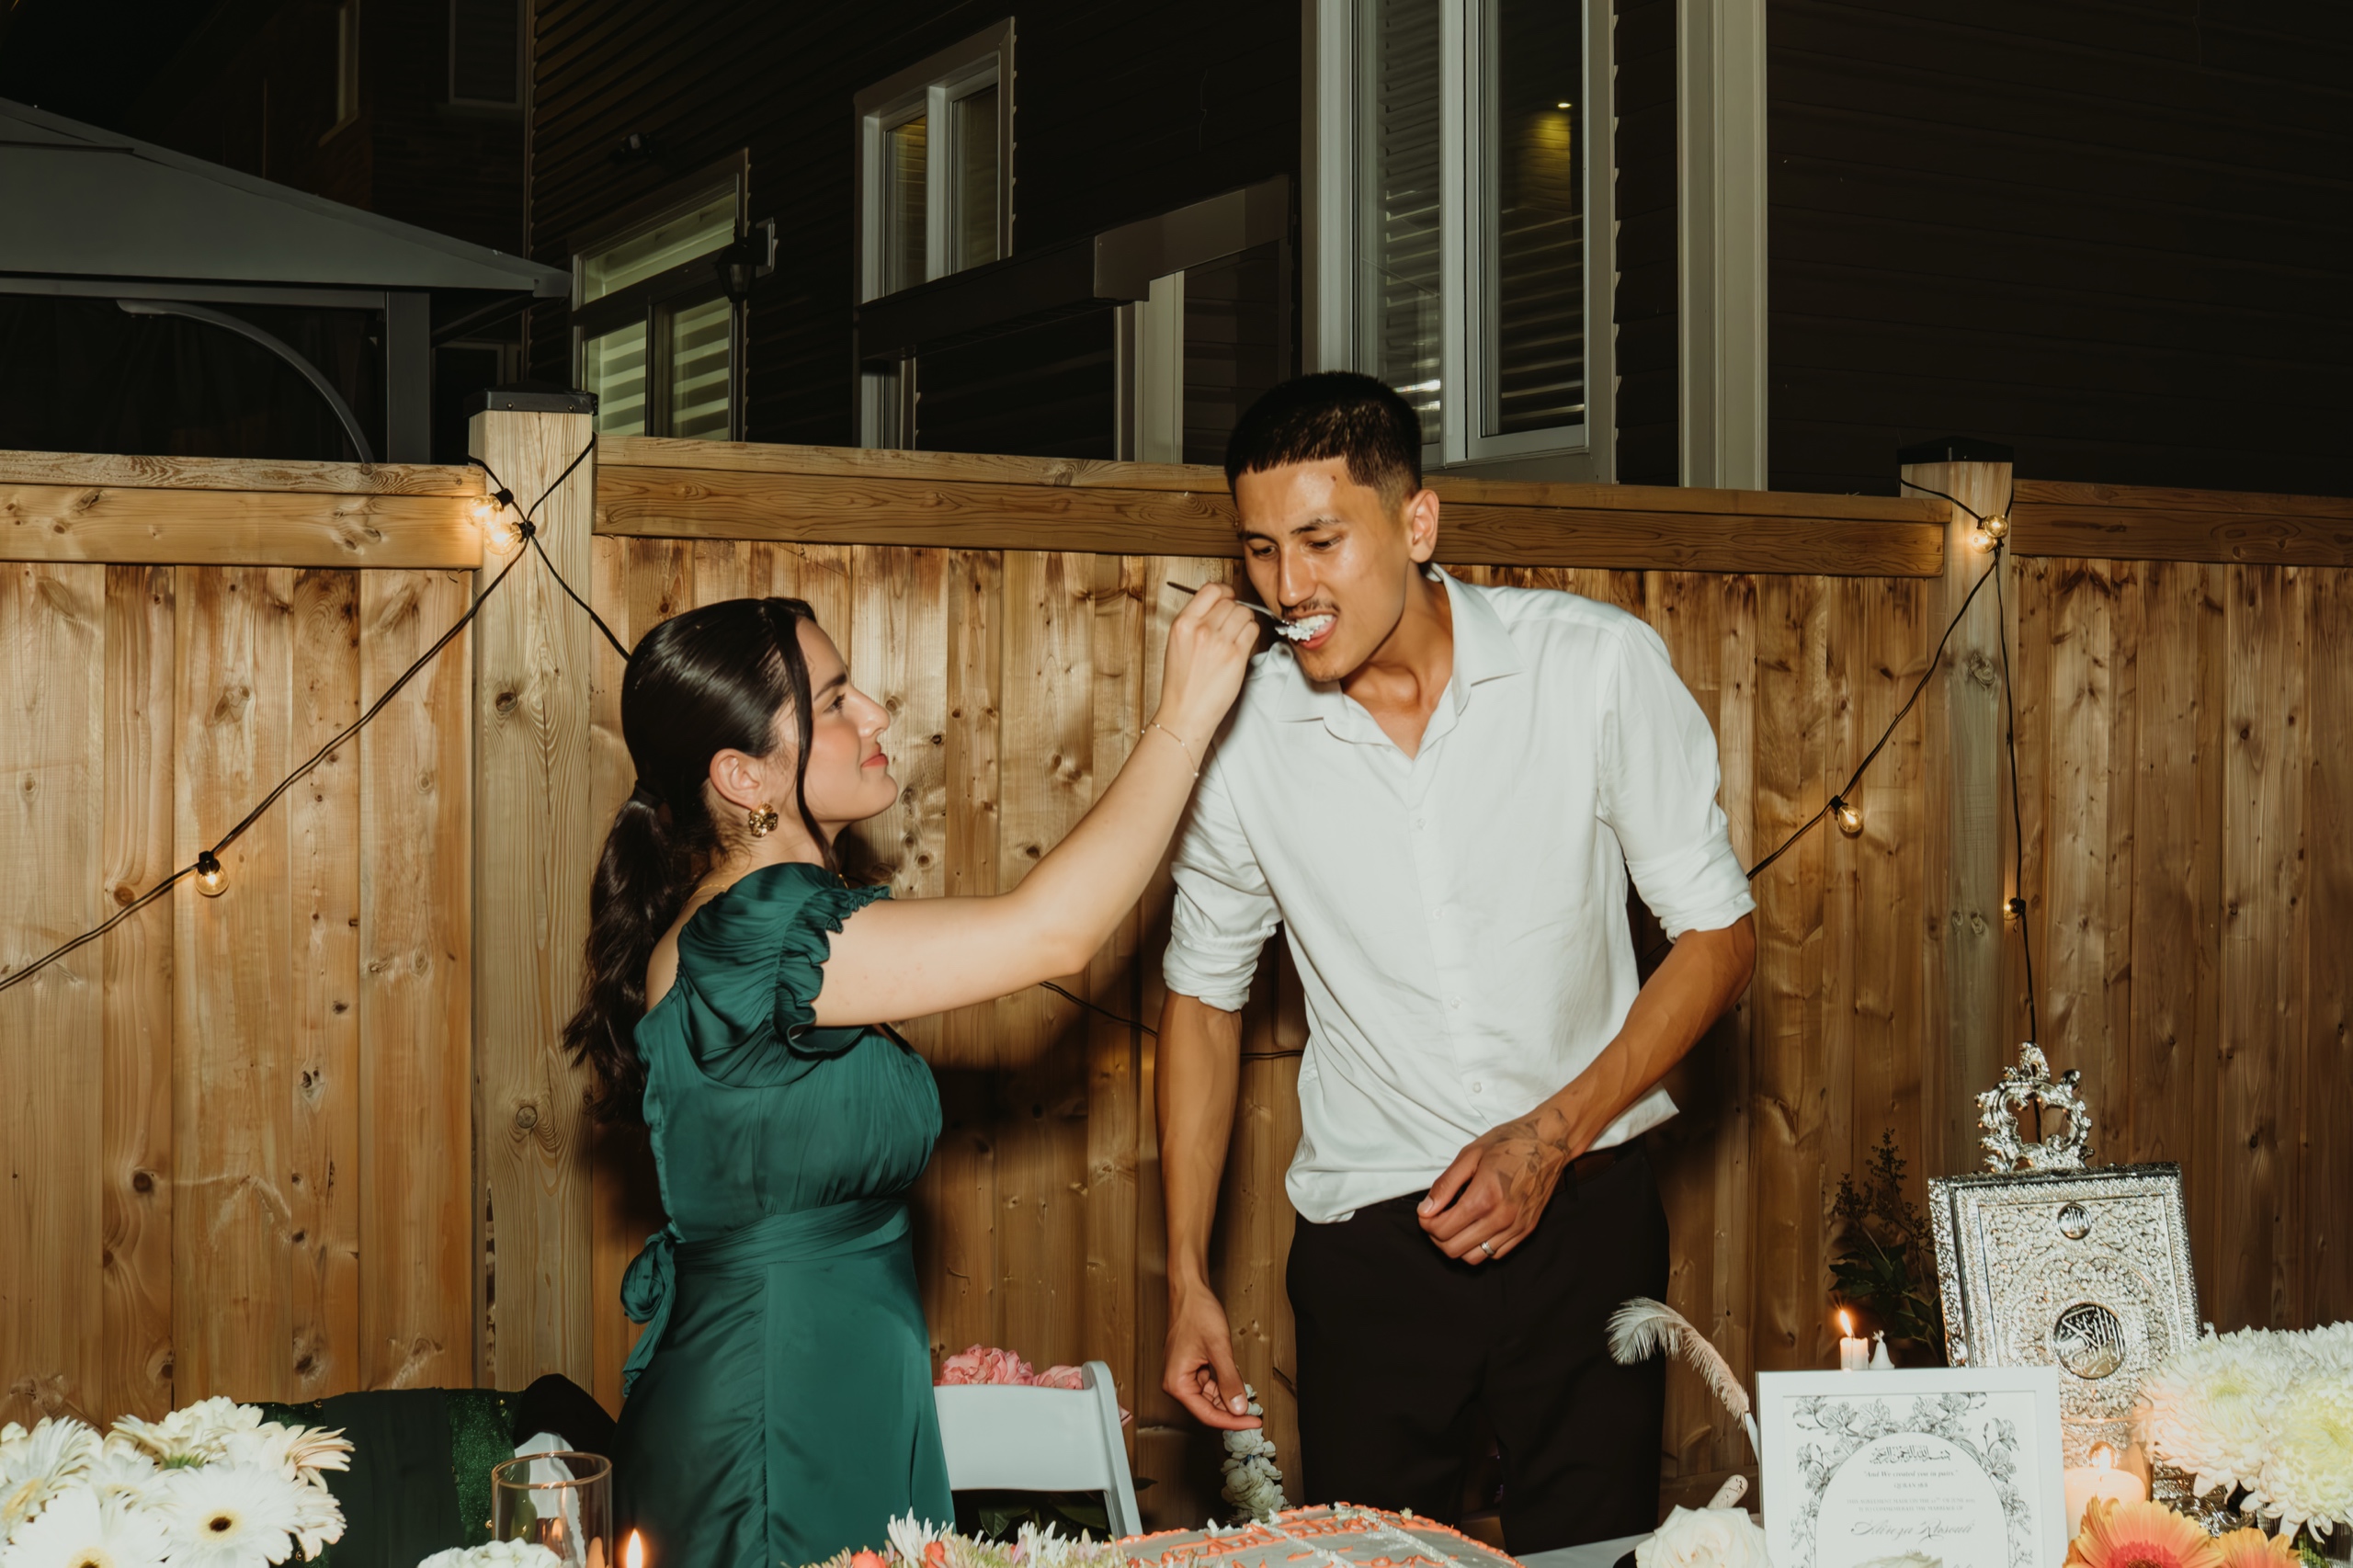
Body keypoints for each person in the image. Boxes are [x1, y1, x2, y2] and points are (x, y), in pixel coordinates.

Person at [1155, 373, 1758, 1553]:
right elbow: (1202, 998)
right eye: (1261, 550)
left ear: (1416, 523)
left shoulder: (1593, 665)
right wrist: (1184, 1276)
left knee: (1593, 1554)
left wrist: (1551, 1135)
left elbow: (1719, 937)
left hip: (1588, 1210)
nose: (1287, 587)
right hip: (1370, 1244)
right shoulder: (1237, 733)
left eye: (1321, 540)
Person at [566, 586, 1258, 1568]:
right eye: (834, 700)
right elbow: (1051, 934)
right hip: (774, 1415)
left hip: (836, 1385)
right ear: (742, 774)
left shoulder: (779, 921)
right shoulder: (756, 934)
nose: (877, 713)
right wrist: (1183, 721)